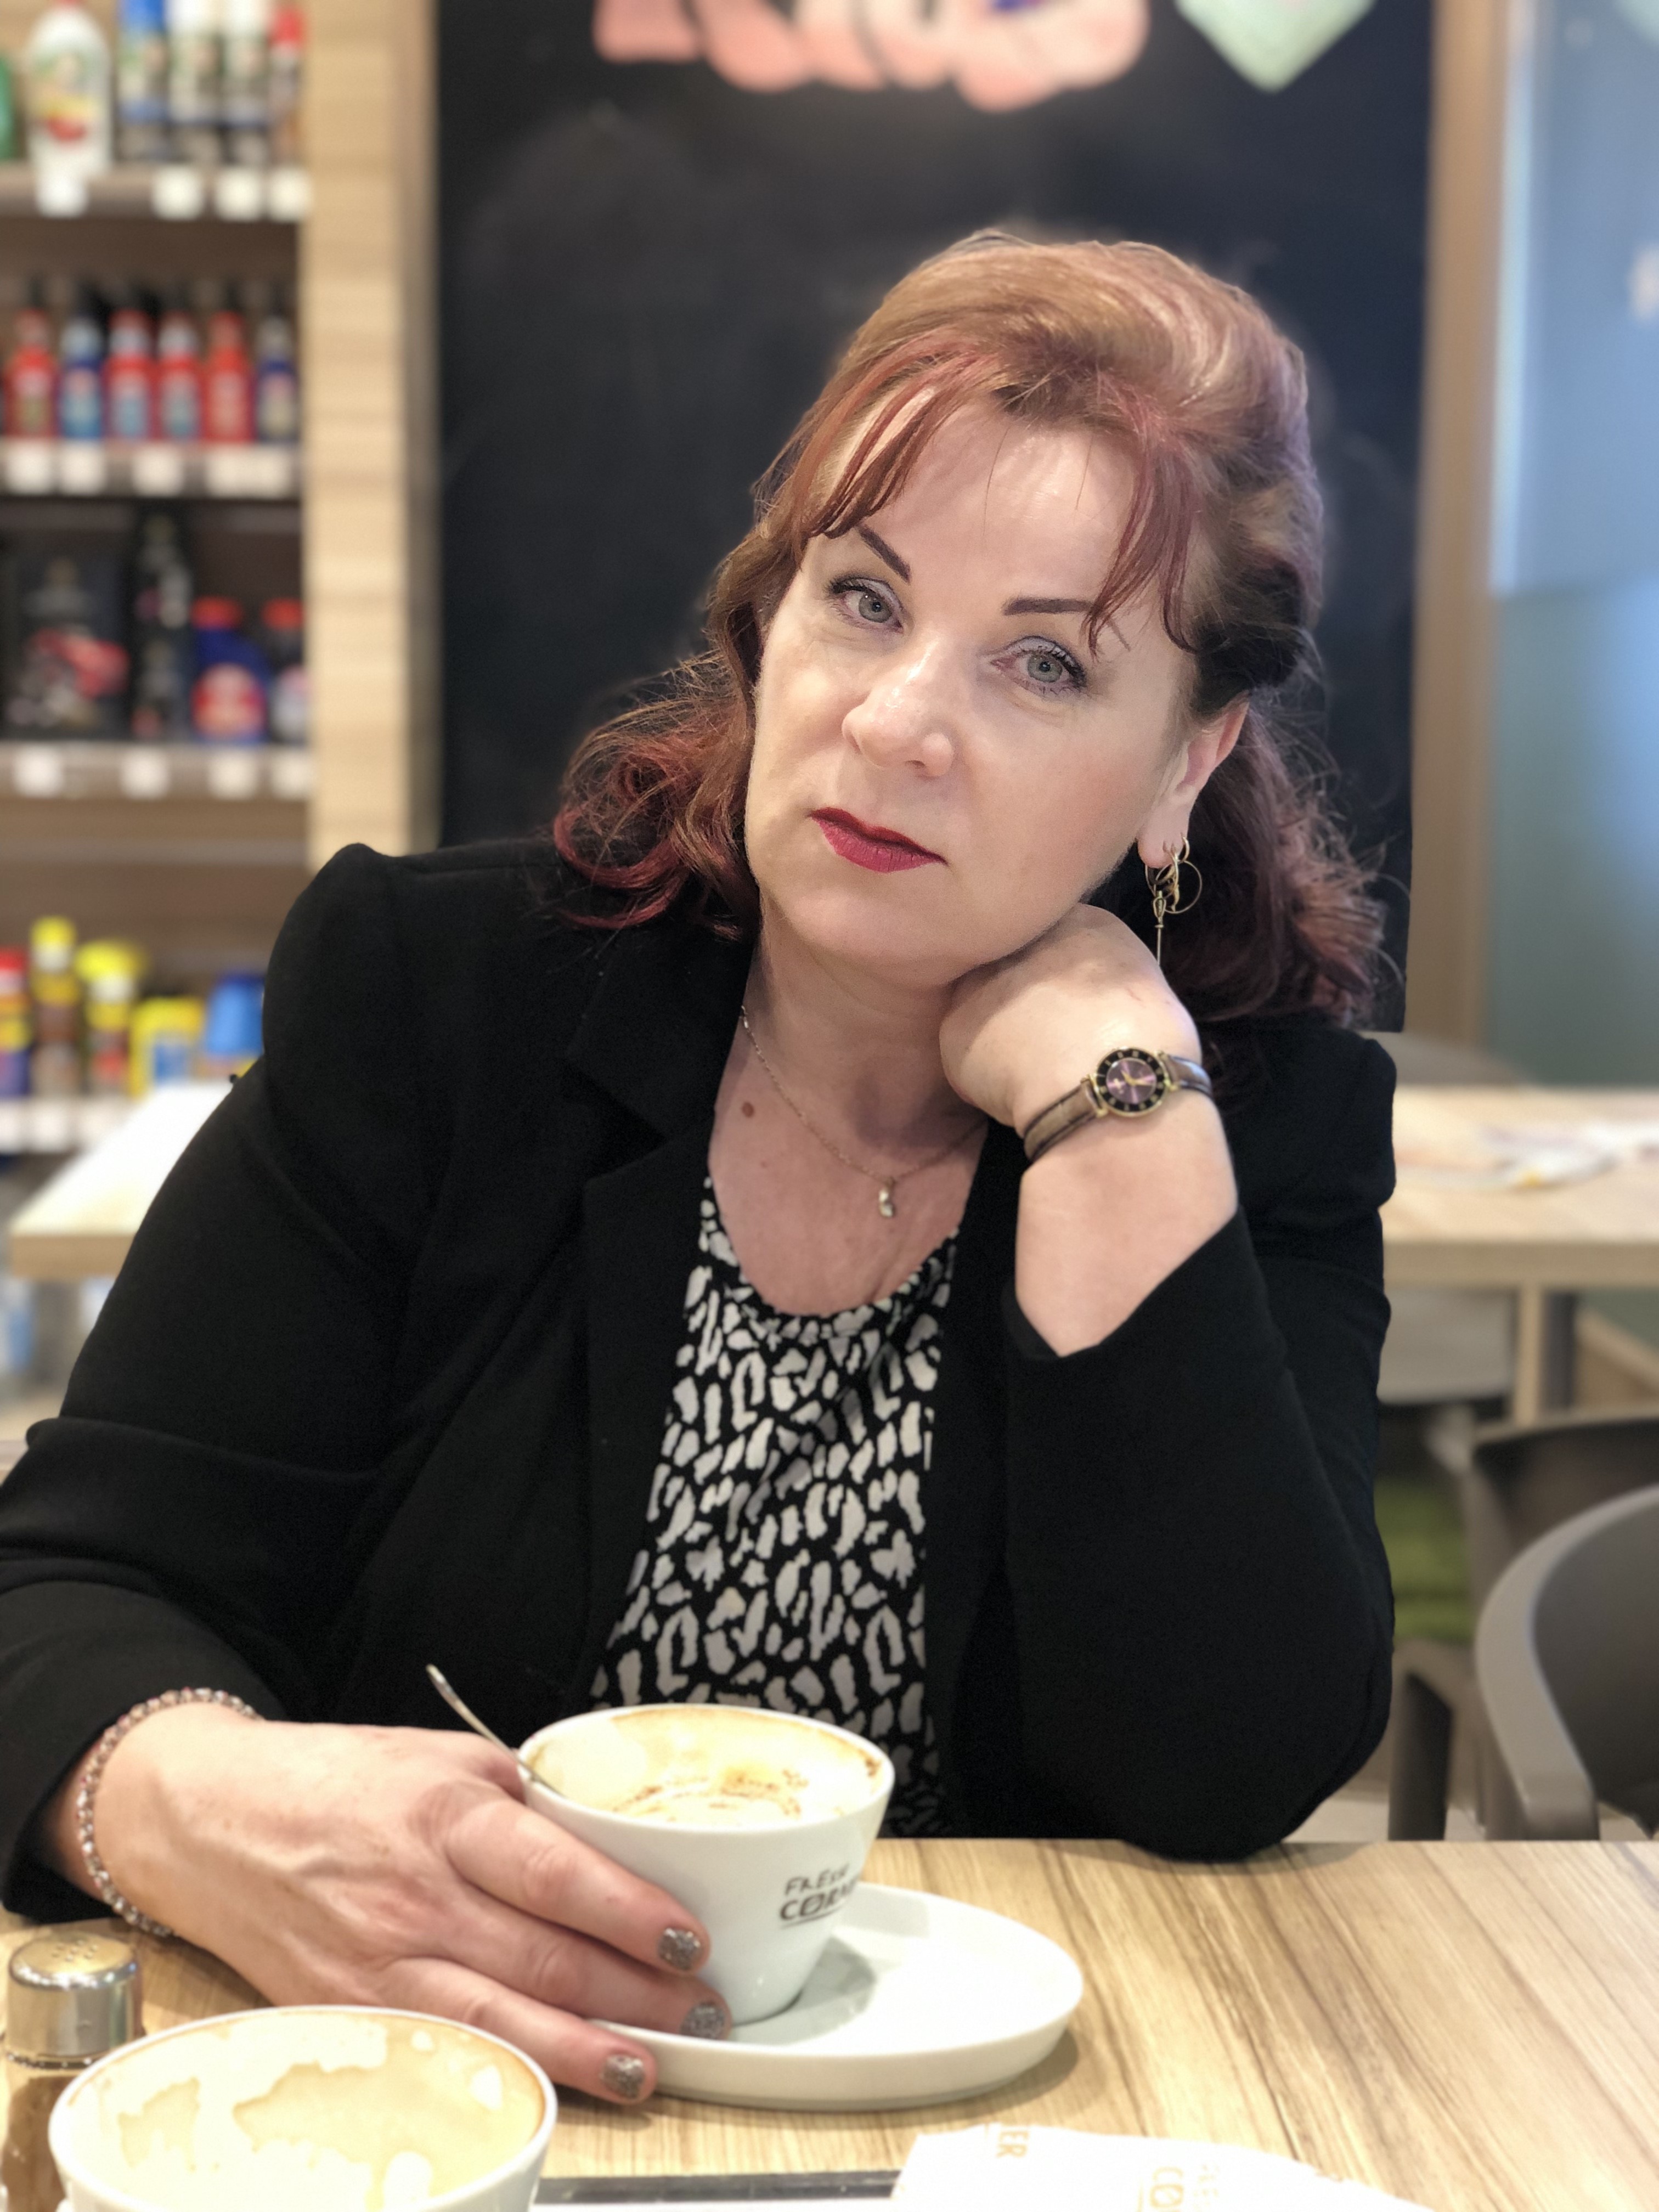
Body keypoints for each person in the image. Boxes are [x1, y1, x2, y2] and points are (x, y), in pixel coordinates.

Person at [0, 233, 1395, 2104]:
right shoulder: (448, 1001)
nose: (895, 723)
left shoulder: (1265, 1121)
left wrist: (1114, 1109)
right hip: (424, 2103)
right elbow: (62, 1586)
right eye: (865, 600)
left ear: (1187, 756)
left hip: (991, 2132)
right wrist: (184, 1797)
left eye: (1045, 663)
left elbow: (1228, 1765)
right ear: (769, 618)